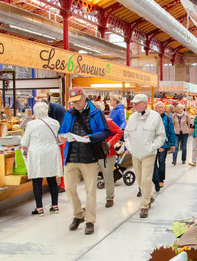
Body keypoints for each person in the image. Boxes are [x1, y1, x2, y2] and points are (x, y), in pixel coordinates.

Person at [58, 87, 111, 235]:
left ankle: (90, 220)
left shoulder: (96, 112)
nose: (75, 105)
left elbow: (106, 132)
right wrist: (61, 136)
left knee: (90, 191)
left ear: (84, 98)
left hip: (89, 157)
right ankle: (78, 215)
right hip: (71, 157)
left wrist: (91, 138)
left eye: (78, 101)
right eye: (73, 102)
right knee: (69, 187)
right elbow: (62, 130)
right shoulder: (69, 114)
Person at [124, 94, 166, 218]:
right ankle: (148, 196)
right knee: (139, 179)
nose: (134, 105)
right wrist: (130, 147)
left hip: (149, 153)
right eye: (134, 104)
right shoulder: (132, 117)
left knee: (146, 179)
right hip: (135, 153)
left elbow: (161, 135)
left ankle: (144, 205)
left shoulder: (155, 116)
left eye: (137, 103)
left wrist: (152, 147)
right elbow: (126, 134)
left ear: (144, 103)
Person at [21, 101, 62, 216]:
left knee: (37, 181)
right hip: (51, 152)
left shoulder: (31, 124)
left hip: (37, 153)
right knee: (52, 180)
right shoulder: (55, 123)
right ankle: (55, 206)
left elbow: (24, 142)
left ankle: (39, 208)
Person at [99, 117, 124, 208]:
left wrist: (110, 143)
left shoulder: (107, 121)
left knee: (108, 176)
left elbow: (119, 131)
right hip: (92, 155)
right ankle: (90, 201)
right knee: (90, 178)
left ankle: (109, 198)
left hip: (107, 154)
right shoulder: (87, 122)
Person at [152, 102, 176, 193]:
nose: (160, 109)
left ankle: (161, 180)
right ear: (155, 109)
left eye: (161, 107)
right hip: (154, 145)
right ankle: (156, 180)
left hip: (164, 144)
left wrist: (172, 144)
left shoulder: (168, 119)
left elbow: (171, 132)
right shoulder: (152, 118)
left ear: (164, 109)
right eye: (158, 107)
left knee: (161, 162)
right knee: (153, 164)